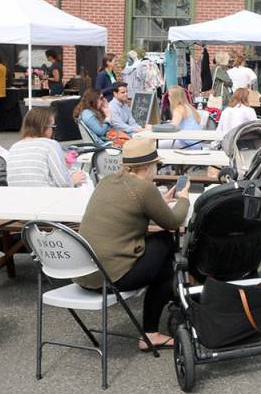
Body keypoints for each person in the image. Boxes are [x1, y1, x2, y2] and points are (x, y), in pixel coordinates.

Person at [76, 137, 190, 351]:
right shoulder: (144, 188)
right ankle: (152, 330)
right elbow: (174, 222)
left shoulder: (107, 180)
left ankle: (161, 310)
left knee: (161, 261)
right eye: (156, 165)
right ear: (147, 167)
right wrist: (183, 198)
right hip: (111, 278)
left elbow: (128, 209)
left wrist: (159, 202)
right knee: (165, 243)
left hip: (81, 274)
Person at [6, 107, 87, 187]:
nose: (52, 131)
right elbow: (63, 182)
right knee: (83, 177)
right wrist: (73, 180)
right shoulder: (50, 145)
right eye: (52, 127)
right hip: (44, 194)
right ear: (43, 127)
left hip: (17, 194)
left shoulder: (14, 147)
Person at [167, 85, 205, 149]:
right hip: (196, 144)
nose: (168, 98)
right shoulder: (188, 106)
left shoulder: (179, 108)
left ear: (174, 97)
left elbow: (172, 127)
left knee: (155, 146)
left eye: (169, 95)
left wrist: (153, 127)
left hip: (187, 144)